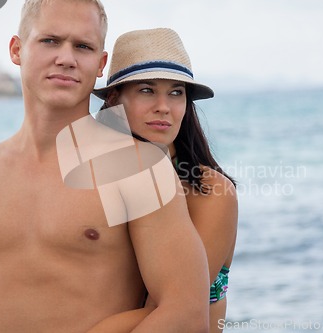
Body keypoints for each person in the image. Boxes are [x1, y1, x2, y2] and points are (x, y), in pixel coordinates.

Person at [0, 1, 210, 333]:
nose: (66, 58)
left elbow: (186, 313)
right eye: (50, 40)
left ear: (101, 63)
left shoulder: (139, 169)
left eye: (83, 46)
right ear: (17, 49)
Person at [87, 27, 238, 333]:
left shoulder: (211, 192)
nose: (164, 107)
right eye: (146, 90)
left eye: (175, 92)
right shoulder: (97, 179)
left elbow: (177, 310)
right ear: (115, 98)